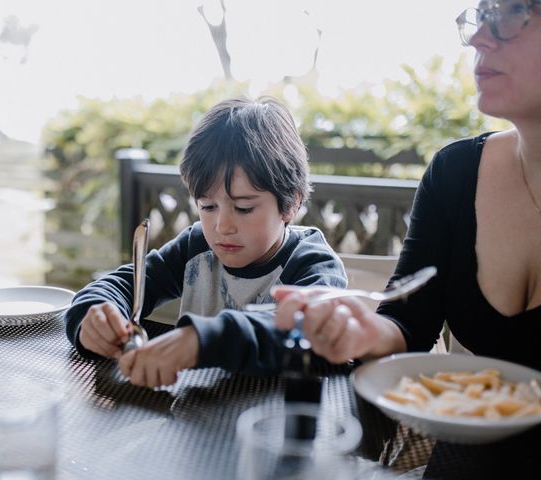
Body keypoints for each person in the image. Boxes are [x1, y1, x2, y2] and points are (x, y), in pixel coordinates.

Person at [274, 1, 541, 372]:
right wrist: (364, 331)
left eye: (512, 12)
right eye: (481, 16)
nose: (479, 38)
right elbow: (409, 323)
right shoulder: (456, 172)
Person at [65, 96, 346, 387]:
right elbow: (121, 285)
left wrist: (198, 341)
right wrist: (94, 317)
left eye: (244, 208)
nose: (222, 227)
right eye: (208, 207)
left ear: (290, 205)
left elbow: (307, 331)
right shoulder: (196, 248)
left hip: (277, 421)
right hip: (194, 424)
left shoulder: (312, 263)